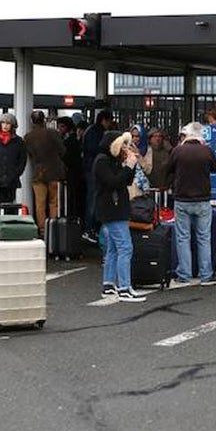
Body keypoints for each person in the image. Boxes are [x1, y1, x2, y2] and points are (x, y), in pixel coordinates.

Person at [93, 130, 146, 302]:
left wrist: (131, 164)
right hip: (112, 209)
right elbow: (113, 182)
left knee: (114, 249)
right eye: (122, 144)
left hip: (114, 208)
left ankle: (109, 285)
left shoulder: (110, 160)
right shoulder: (102, 161)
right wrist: (128, 166)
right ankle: (124, 287)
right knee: (125, 247)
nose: (125, 147)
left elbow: (127, 181)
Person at [167, 122, 216, 287]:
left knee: (183, 238)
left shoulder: (178, 151)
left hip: (182, 199)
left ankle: (184, 274)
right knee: (204, 238)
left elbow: (168, 168)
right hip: (203, 199)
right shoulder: (207, 151)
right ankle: (206, 275)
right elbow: (215, 168)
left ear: (186, 135)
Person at [24, 110, 66, 238]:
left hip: (38, 173)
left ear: (32, 121)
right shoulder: (53, 133)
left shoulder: (28, 137)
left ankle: (42, 231)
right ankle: (53, 229)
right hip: (54, 171)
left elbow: (30, 155)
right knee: (54, 202)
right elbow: (62, 151)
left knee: (40, 204)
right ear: (44, 120)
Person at [82, 109, 115, 242]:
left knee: (93, 198)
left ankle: (92, 228)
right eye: (109, 121)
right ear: (104, 120)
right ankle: (90, 228)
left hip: (90, 169)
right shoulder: (97, 133)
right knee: (93, 199)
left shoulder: (90, 131)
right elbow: (95, 149)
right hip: (93, 171)